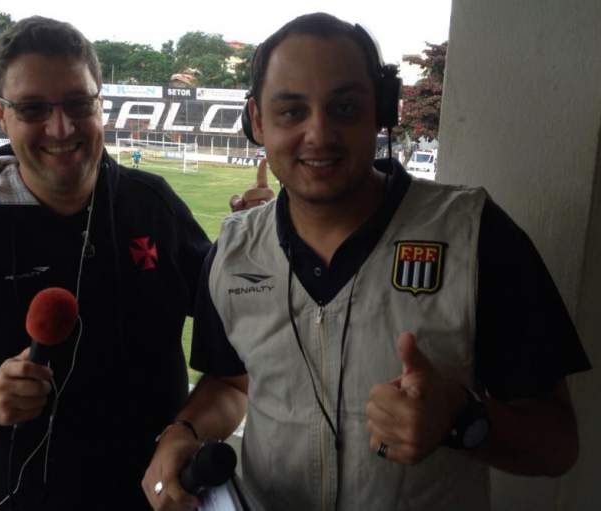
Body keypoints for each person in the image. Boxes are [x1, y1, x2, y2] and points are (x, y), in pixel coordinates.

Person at [143, 12, 591, 511]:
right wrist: (183, 431)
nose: (319, 133)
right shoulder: (233, 250)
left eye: (345, 107)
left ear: (381, 110)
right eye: (291, 111)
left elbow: (558, 444)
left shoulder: (475, 233)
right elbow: (230, 383)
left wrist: (463, 421)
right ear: (257, 121)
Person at [0, 17, 270, 511]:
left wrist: (261, 245)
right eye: (33, 108)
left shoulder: (153, 206)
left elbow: (238, 335)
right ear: (0, 114)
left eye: (78, 104)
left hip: (163, 497)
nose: (60, 128)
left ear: (100, 105)